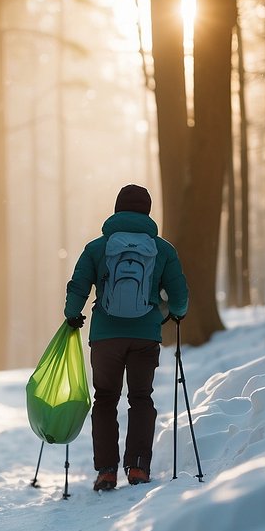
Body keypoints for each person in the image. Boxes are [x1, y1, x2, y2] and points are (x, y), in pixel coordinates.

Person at [63, 184, 188, 491]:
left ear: (117, 209)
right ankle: (138, 468)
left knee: (105, 399)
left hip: (106, 336)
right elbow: (179, 295)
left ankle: (106, 471)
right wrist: (177, 313)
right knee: (141, 398)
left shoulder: (98, 247)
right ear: (147, 212)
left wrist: (71, 314)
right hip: (145, 335)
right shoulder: (163, 249)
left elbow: (78, 285)